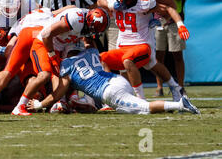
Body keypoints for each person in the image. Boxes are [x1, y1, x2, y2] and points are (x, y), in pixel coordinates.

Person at [97, 0, 189, 99]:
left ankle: (149, 95)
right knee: (115, 62)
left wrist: (166, 20)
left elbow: (169, 6)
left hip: (142, 32)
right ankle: (116, 95)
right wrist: (109, 3)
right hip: (123, 33)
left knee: (149, 62)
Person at [28, 47, 200, 115]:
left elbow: (58, 93)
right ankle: (168, 107)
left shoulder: (67, 65)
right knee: (128, 111)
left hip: (109, 92)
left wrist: (39, 104)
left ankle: (179, 104)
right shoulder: (92, 52)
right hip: (117, 79)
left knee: (143, 109)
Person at [12, 7, 110, 116]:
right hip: (44, 44)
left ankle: (61, 102)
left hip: (59, 47)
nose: (93, 32)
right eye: (93, 29)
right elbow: (46, 34)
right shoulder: (76, 19)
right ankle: (19, 107)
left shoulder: (88, 22)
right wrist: (52, 55)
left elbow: (89, 43)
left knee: (65, 79)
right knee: (44, 75)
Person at [0, 7, 55, 115]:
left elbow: (9, 50)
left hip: (22, 36)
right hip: (39, 35)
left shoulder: (20, 19)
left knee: (8, 70)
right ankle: (28, 103)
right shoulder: (43, 12)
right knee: (43, 75)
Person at [154, 0, 191, 96]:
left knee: (177, 55)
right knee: (158, 56)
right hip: (158, 20)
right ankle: (159, 87)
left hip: (175, 21)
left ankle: (180, 87)